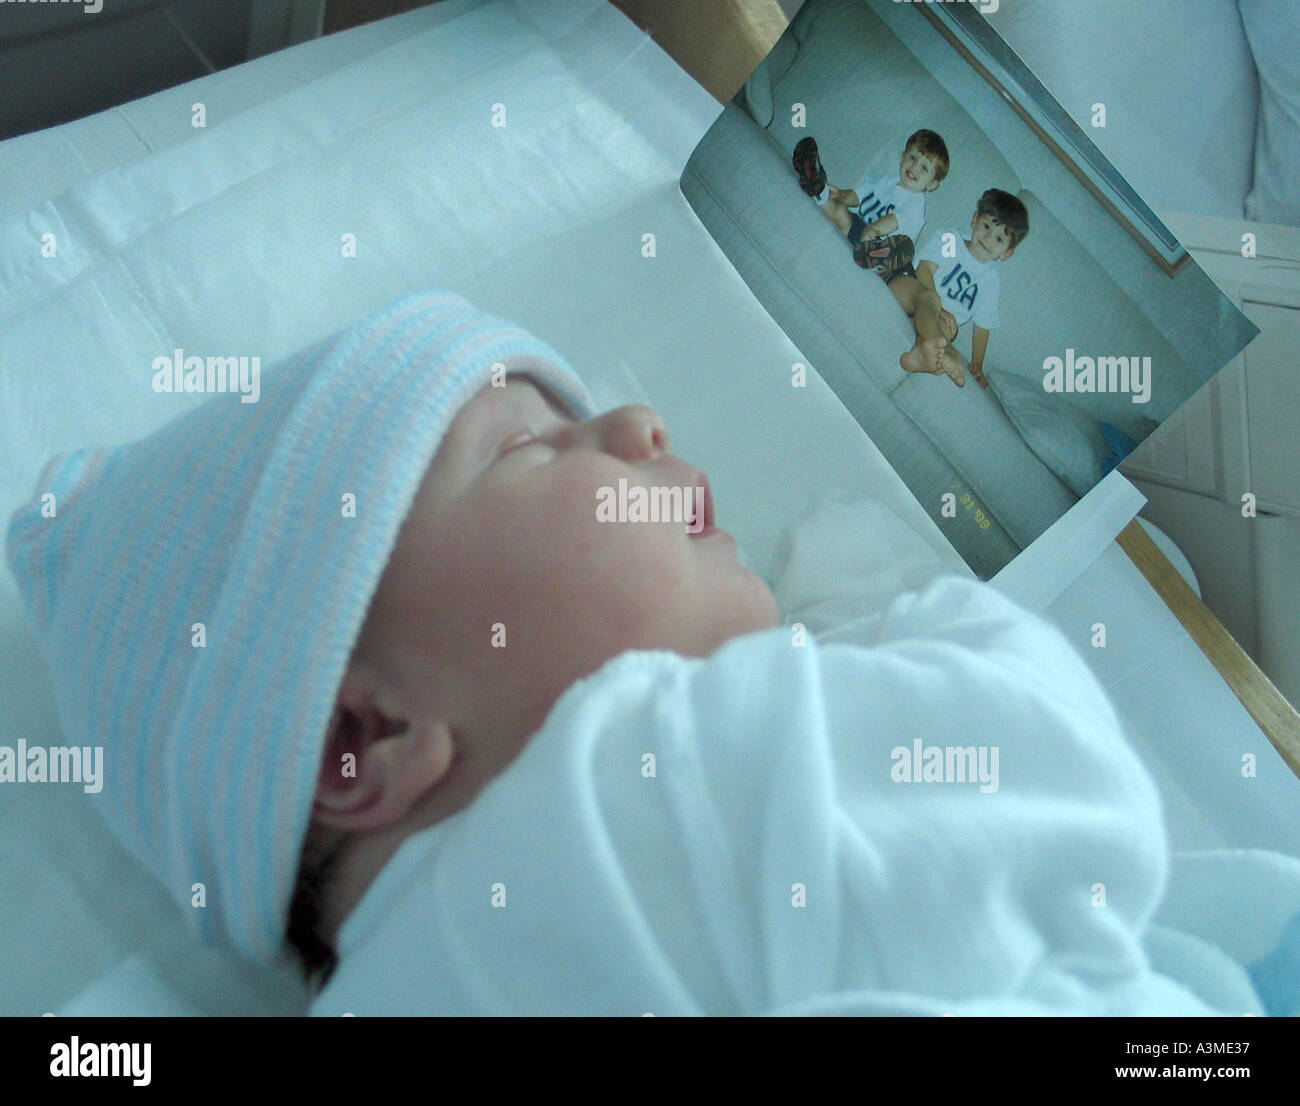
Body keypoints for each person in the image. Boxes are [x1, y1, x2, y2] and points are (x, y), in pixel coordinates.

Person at [9, 291, 1291, 1016]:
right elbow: (1054, 778)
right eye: (525, 446)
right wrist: (871, 597)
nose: (634, 420)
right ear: (363, 737)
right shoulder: (657, 766)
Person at [892, 188, 1027, 388]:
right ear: (975, 220)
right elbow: (924, 270)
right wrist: (941, 309)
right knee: (929, 299)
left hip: (939, 323)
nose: (988, 238)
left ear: (1006, 252)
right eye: (987, 226)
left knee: (947, 330)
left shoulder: (990, 281)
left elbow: (983, 326)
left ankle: (921, 353)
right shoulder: (951, 240)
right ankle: (948, 351)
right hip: (911, 290)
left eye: (999, 239)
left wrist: (977, 364)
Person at [793, 129, 948, 281]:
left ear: (932, 184)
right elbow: (857, 196)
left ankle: (878, 266)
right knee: (840, 211)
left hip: (886, 250)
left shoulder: (916, 204)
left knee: (891, 260)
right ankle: (818, 189)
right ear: (903, 156)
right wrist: (840, 195)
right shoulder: (884, 183)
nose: (915, 167)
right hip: (859, 235)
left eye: (924, 167)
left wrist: (873, 229)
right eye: (913, 157)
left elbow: (894, 221)